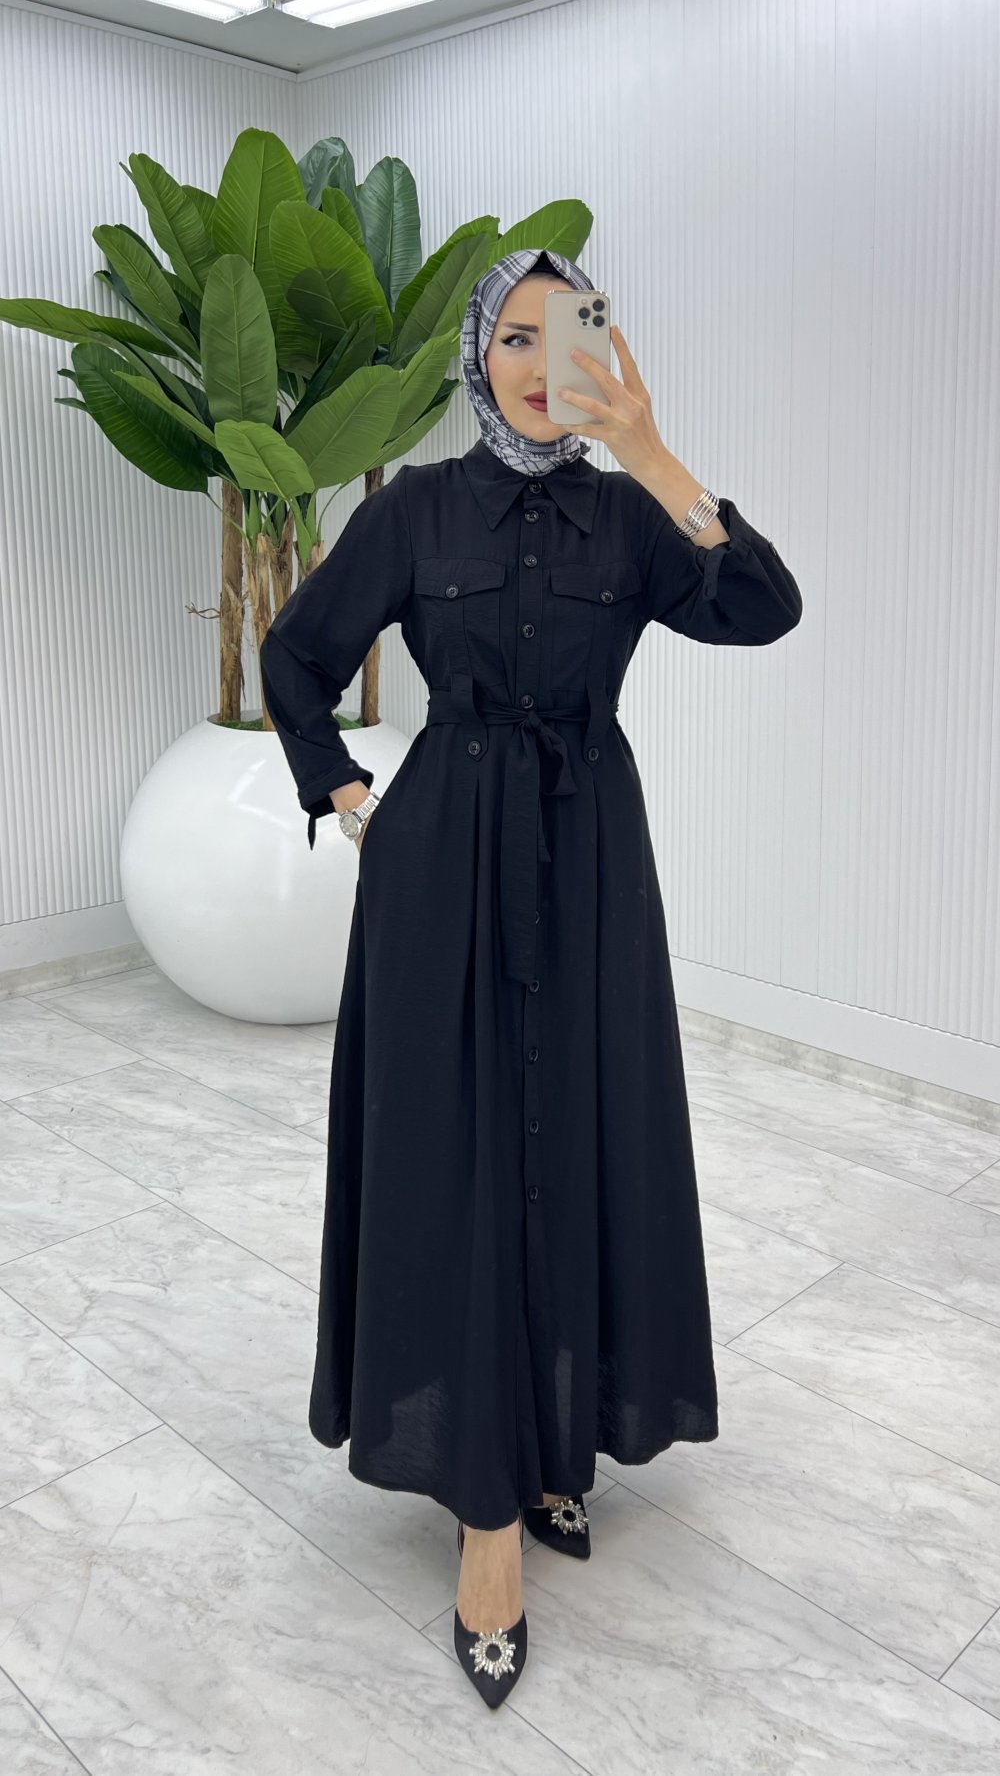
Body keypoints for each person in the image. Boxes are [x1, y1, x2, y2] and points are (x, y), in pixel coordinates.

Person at [259, 249, 803, 1707]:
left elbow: (764, 607)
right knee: (464, 1154)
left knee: (579, 1141)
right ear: (476, 358)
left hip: (592, 862)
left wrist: (655, 451)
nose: (539, 359)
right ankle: (487, 1513)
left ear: (603, 351)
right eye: (514, 334)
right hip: (442, 862)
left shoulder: (628, 516)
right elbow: (298, 657)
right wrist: (350, 799)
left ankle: (558, 1445)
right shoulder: (417, 509)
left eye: (570, 332)